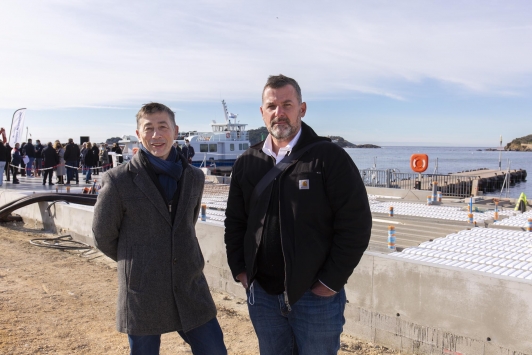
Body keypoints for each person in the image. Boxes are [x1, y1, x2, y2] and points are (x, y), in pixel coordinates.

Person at [224, 74, 372, 355]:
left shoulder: (329, 157)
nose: (279, 113)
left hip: (315, 298)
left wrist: (330, 282)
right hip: (263, 297)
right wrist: (241, 270)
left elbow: (356, 224)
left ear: (301, 109)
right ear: (262, 112)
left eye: (287, 105)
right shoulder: (247, 162)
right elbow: (236, 222)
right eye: (271, 106)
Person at [92, 102, 227, 355]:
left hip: (189, 285)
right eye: (149, 128)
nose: (156, 135)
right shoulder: (118, 180)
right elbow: (103, 235)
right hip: (143, 288)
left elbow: (187, 224)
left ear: (175, 131)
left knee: (214, 350)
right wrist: (137, 262)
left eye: (162, 127)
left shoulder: (194, 177)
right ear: (138, 134)